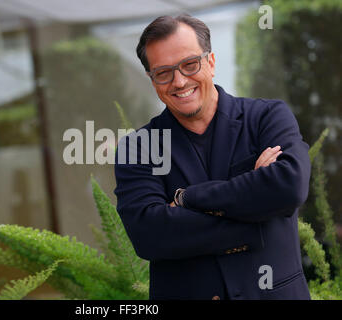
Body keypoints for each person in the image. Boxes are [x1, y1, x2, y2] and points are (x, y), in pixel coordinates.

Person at [114, 14, 311, 300]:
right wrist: (256, 209)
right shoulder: (139, 147)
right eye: (163, 72)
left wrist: (188, 200)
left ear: (211, 62)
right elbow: (150, 236)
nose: (179, 81)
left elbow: (289, 187)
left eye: (189, 65)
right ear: (152, 79)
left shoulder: (267, 117)